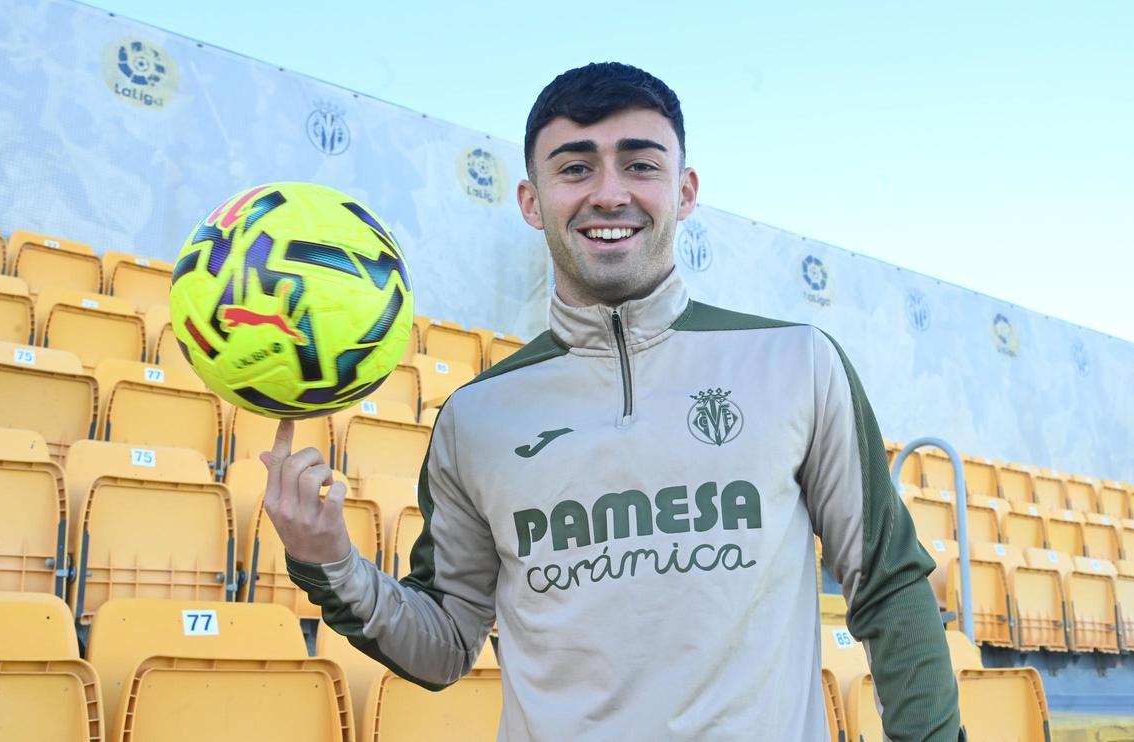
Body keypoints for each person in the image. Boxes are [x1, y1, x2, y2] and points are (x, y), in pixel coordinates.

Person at [265, 61, 962, 741]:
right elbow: (445, 644)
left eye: (640, 164)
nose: (608, 193)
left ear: (685, 190)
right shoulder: (476, 418)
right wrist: (331, 564)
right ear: (531, 201)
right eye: (574, 167)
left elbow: (889, 585)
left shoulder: (798, 362)